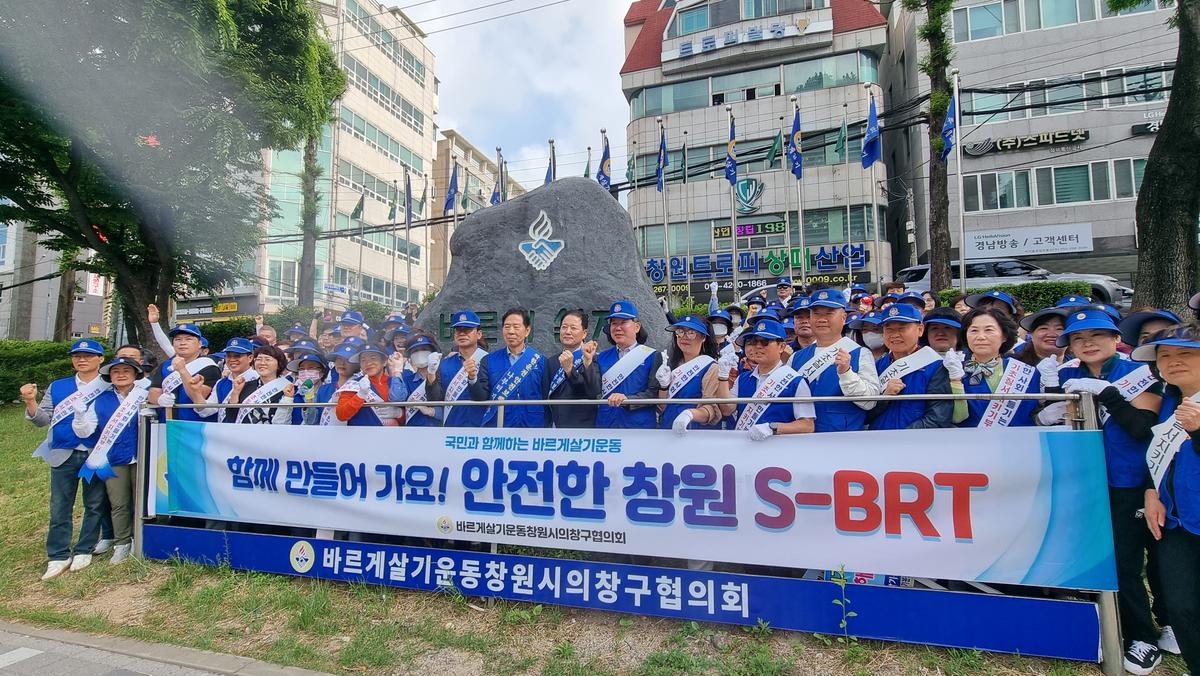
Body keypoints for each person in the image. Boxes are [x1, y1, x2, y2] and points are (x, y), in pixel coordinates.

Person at [1044, 309, 1166, 674]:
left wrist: (1110, 397)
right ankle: (1094, 626)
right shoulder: (1067, 374)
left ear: (1116, 339)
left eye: (1096, 335)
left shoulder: (1139, 373)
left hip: (1125, 481)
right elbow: (1052, 420)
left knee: (1124, 563)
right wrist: (1048, 407)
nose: (1087, 343)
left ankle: (1141, 636)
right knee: (1084, 557)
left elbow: (1142, 428)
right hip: (1077, 481)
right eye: (1079, 339)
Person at [22, 340, 112, 580]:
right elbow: (42, 420)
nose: (82, 360)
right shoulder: (59, 386)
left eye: (88, 355)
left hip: (96, 453)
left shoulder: (108, 385)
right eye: (77, 356)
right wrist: (30, 401)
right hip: (63, 453)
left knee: (94, 504)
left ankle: (85, 548)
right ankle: (58, 555)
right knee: (60, 506)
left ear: (100, 359)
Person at [1139, 324, 1200, 676]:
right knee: (1182, 607)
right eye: (1165, 356)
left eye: (1184, 354)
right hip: (1176, 523)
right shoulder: (1171, 400)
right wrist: (1151, 491)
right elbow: (1158, 454)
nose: (1173, 362)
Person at [74, 356, 149, 565]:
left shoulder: (144, 396)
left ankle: (139, 539)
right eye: (116, 371)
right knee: (118, 502)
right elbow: (86, 430)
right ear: (109, 376)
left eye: (126, 370)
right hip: (114, 458)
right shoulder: (101, 400)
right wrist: (80, 416)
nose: (121, 374)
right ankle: (122, 543)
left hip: (142, 455)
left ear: (136, 374)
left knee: (141, 501)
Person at [789, 289, 882, 432]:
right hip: (803, 439)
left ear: (843, 317)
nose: (821, 319)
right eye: (816, 313)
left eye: (829, 313)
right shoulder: (796, 357)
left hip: (844, 440)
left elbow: (870, 401)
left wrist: (847, 373)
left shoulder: (861, 353)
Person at [715, 318, 815, 439]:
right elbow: (727, 410)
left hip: (780, 448)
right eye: (754, 341)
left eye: (765, 342)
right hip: (747, 447)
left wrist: (773, 427)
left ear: (781, 346)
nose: (758, 346)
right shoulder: (743, 378)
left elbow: (807, 425)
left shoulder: (795, 381)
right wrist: (723, 377)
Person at [947, 307, 1041, 427]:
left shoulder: (1026, 372)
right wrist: (955, 382)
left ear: (1005, 336)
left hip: (1018, 440)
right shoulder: (954, 370)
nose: (980, 337)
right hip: (970, 441)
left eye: (989, 330)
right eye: (974, 330)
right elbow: (956, 417)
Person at [867, 304, 952, 429]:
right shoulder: (878, 365)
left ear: (920, 329)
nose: (895, 335)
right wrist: (885, 398)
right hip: (878, 441)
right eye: (889, 329)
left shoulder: (935, 366)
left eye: (902, 328)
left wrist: (902, 436)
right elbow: (864, 413)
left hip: (916, 443)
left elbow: (939, 417)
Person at [596, 301, 662, 429]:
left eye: (623, 322)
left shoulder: (652, 356)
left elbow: (654, 393)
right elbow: (594, 390)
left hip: (638, 426)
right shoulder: (601, 357)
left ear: (637, 327)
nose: (618, 328)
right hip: (606, 424)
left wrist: (627, 399)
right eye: (614, 323)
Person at [482, 307, 549, 428]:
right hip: (500, 425)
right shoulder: (489, 360)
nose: (511, 331)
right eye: (507, 327)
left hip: (533, 425)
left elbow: (546, 397)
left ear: (527, 331)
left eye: (516, 327)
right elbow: (482, 395)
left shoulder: (540, 361)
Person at [658, 315, 725, 433]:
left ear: (703, 337)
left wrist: (689, 414)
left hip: (695, 433)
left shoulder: (710, 367)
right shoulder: (672, 365)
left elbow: (711, 409)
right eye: (680, 332)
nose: (684, 337)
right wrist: (664, 387)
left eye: (691, 333)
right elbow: (662, 407)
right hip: (668, 429)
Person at [148, 324, 221, 422]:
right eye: (178, 340)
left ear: (199, 344)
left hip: (196, 424)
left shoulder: (209, 366)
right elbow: (153, 392)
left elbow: (199, 397)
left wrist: (182, 370)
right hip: (167, 423)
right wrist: (159, 399)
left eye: (188, 339)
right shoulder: (165, 365)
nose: (182, 343)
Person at [432, 311, 491, 428]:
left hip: (481, 427)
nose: (462, 334)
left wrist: (473, 378)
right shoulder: (445, 363)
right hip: (452, 427)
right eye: (459, 330)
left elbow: (484, 396)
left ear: (479, 334)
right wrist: (430, 373)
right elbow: (435, 398)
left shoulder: (490, 361)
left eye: (467, 330)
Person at [547, 310, 602, 428]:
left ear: (584, 333)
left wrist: (569, 370)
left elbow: (593, 390)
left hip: (583, 430)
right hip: (555, 428)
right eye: (564, 327)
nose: (567, 332)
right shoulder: (551, 361)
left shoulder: (593, 358)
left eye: (573, 328)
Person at [335, 345, 408, 426]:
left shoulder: (395, 382)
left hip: (392, 436)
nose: (368, 363)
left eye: (373, 358)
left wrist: (400, 414)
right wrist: (360, 395)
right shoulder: (353, 385)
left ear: (384, 362)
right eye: (363, 360)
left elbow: (411, 417)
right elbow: (341, 414)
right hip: (361, 435)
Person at [226, 345, 294, 425]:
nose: (262, 363)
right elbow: (231, 417)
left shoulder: (287, 387)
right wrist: (236, 392)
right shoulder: (245, 386)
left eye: (267, 359)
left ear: (279, 364)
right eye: (258, 359)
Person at [196, 337, 257, 423]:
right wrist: (196, 392)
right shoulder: (221, 383)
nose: (232, 360)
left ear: (250, 358)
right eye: (228, 356)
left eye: (237, 356)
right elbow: (206, 411)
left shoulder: (258, 378)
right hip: (226, 432)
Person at [398, 334, 442, 427]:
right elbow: (399, 405)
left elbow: (452, 411)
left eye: (424, 349)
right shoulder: (406, 381)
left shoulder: (443, 378)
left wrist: (432, 411)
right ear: (410, 358)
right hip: (412, 433)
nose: (419, 353)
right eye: (415, 351)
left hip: (439, 433)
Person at [287, 349, 328, 426]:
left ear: (322, 372)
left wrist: (309, 400)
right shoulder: (292, 392)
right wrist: (287, 399)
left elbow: (311, 421)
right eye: (301, 369)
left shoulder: (328, 392)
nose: (305, 371)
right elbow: (280, 422)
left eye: (311, 368)